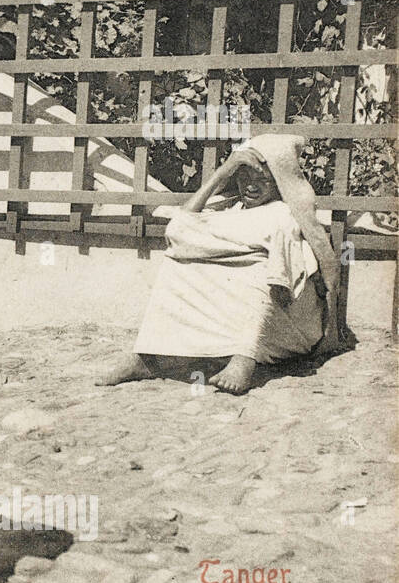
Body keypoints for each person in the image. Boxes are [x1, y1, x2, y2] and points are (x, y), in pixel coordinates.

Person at [97, 133, 342, 395]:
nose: (251, 186)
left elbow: (284, 282)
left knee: (260, 269)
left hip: (287, 321)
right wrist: (221, 174)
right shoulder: (229, 208)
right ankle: (147, 358)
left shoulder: (283, 213)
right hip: (235, 312)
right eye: (244, 176)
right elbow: (178, 229)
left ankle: (245, 357)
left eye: (263, 179)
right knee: (175, 264)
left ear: (279, 183)